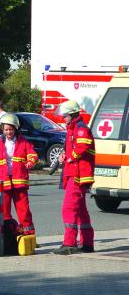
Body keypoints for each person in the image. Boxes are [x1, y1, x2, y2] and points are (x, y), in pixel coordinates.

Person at [53, 100, 96, 255]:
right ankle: (87, 243)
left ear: (72, 115)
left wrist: (70, 157)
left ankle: (69, 243)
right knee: (80, 210)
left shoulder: (80, 128)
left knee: (69, 208)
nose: (63, 119)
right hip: (75, 173)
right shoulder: (73, 129)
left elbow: (83, 146)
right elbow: (74, 147)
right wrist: (65, 155)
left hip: (78, 175)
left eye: (65, 116)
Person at [0, 113, 38, 236]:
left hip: (19, 180)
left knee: (24, 210)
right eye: (6, 129)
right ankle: (6, 236)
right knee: (4, 212)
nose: (8, 132)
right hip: (2, 182)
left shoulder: (23, 142)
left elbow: (32, 154)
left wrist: (30, 162)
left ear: (15, 129)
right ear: (2, 129)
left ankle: (29, 235)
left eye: (11, 129)